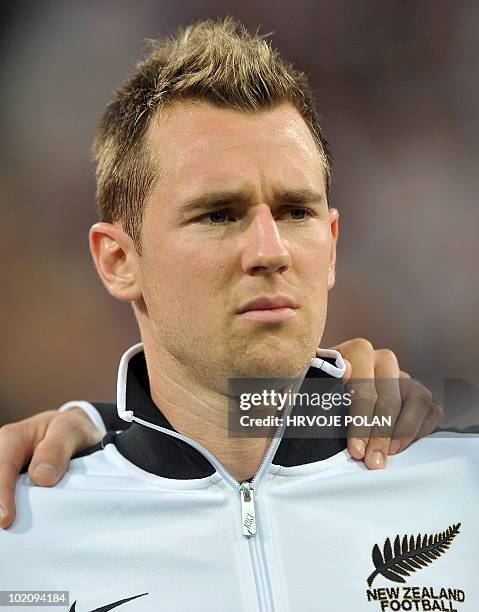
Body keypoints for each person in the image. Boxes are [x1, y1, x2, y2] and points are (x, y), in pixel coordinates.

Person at [1, 18, 477, 612]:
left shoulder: (462, 476)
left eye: (296, 211)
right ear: (119, 260)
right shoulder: (21, 526)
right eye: (218, 215)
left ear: (330, 244)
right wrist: (106, 428)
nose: (270, 251)